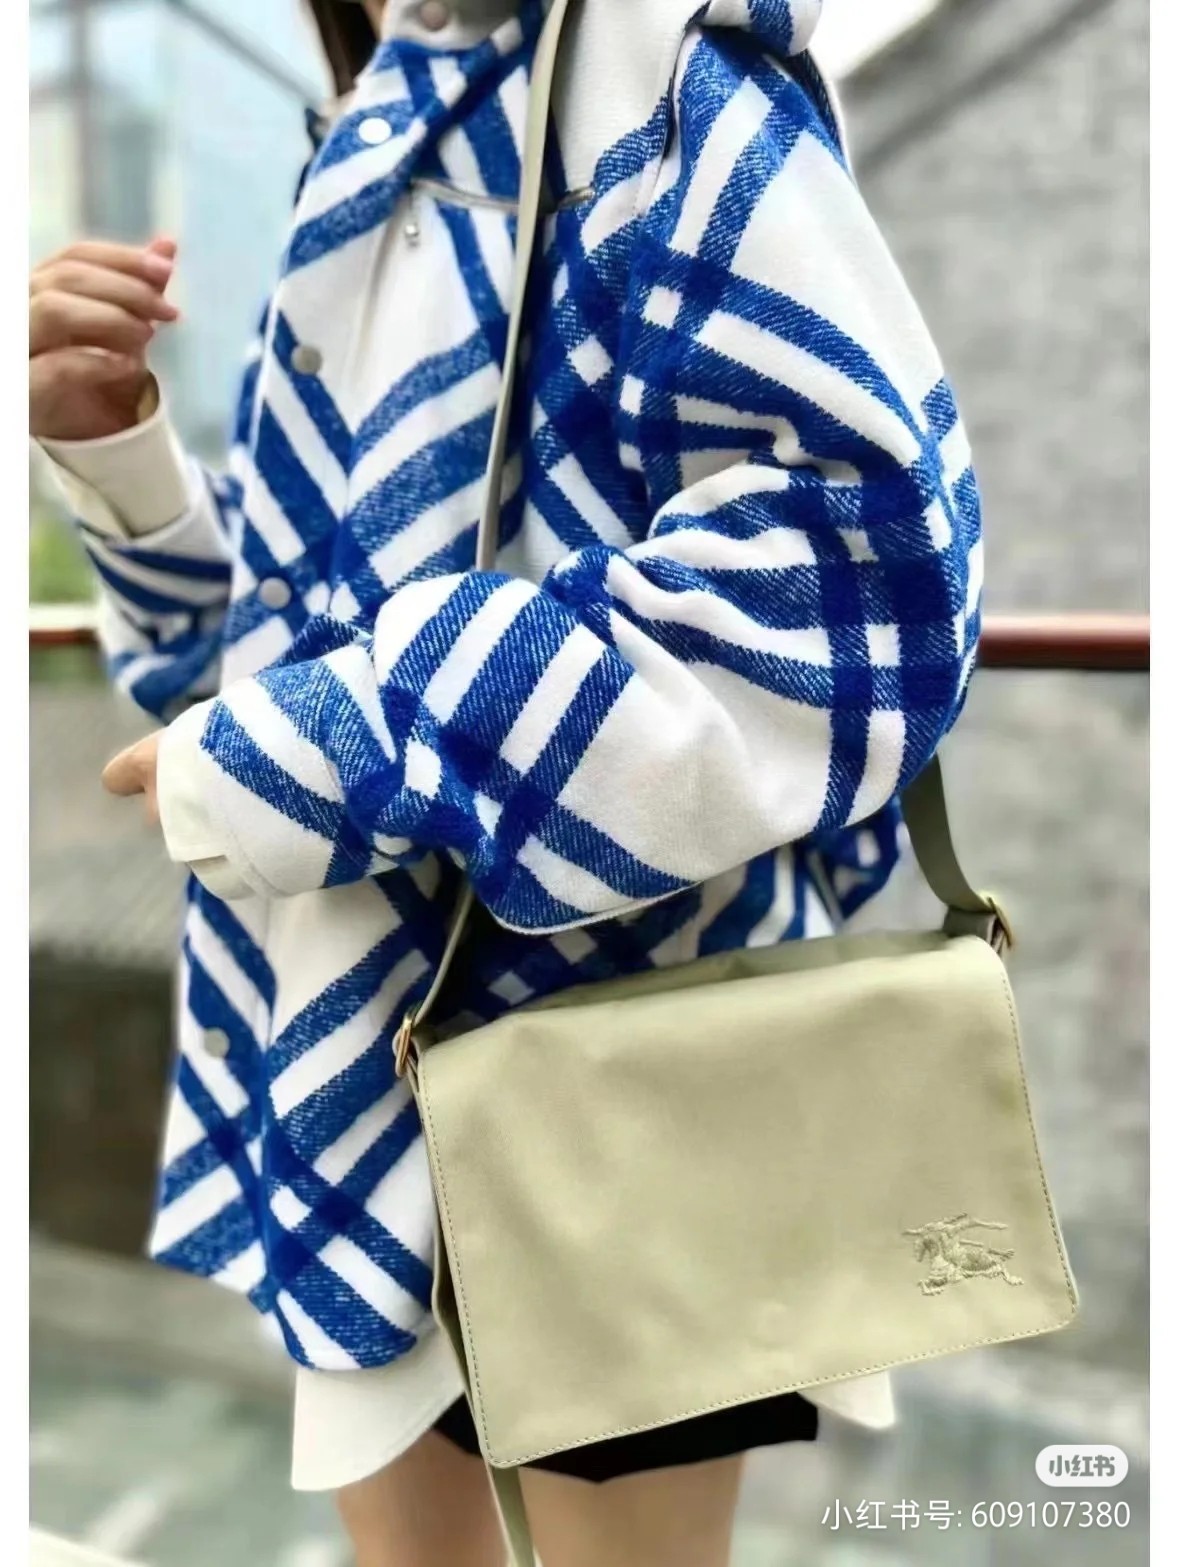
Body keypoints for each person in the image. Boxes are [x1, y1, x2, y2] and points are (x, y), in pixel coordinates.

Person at [28, 1, 983, 1562]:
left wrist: (346, 745)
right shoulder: (392, 110)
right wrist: (121, 462)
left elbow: (871, 583)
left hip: (616, 1076)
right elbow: (273, 661)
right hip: (352, 1059)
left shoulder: (658, 79)